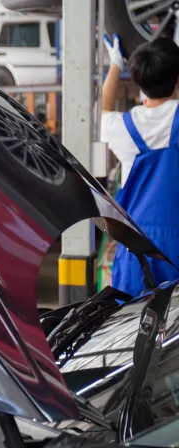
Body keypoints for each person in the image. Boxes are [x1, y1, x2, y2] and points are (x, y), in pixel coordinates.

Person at [101, 34, 179, 296]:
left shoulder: (123, 127)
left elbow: (103, 110)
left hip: (137, 247)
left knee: (133, 318)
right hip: (176, 244)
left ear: (138, 81)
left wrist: (116, 64)